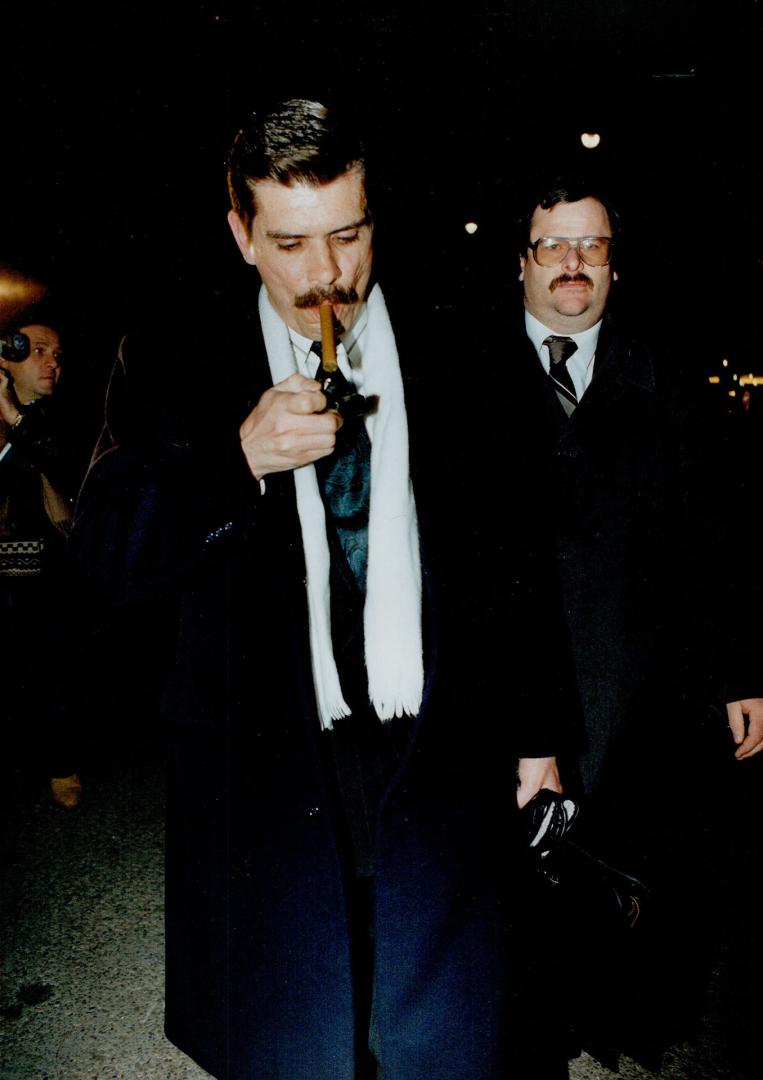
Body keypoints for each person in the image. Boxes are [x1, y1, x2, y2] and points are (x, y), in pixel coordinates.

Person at [71, 99, 577, 1079]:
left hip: (435, 753)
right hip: (266, 764)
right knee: (294, 1034)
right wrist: (237, 462)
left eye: (348, 234)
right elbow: (104, 560)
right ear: (240, 234)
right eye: (293, 243)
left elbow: (519, 559)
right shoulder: (174, 355)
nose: (327, 274)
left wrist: (540, 737)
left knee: (446, 1036)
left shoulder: (466, 351)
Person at [506, 177, 763, 803]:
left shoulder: (672, 385)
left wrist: (739, 673)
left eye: (592, 246)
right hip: (506, 713)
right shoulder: (458, 385)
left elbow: (715, 539)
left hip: (641, 715)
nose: (573, 263)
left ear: (613, 267)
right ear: (522, 264)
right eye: (553, 247)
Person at [1, 315, 82, 811]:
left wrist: (14, 417)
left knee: (46, 652)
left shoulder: (60, 420)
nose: (52, 362)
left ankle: (62, 763)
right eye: (37, 351)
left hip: (40, 560)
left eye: (57, 354)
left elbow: (60, 465)